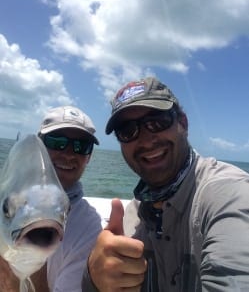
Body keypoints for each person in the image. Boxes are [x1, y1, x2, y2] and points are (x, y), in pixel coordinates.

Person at [82, 76, 249, 292]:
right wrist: (93, 277)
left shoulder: (227, 194)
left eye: (157, 121)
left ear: (183, 123)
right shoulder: (132, 218)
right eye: (127, 130)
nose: (145, 140)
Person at [0, 105, 102, 292]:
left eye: (81, 146)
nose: (70, 154)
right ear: (40, 144)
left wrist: (23, 276)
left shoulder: (89, 226)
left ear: (89, 157)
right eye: (57, 141)